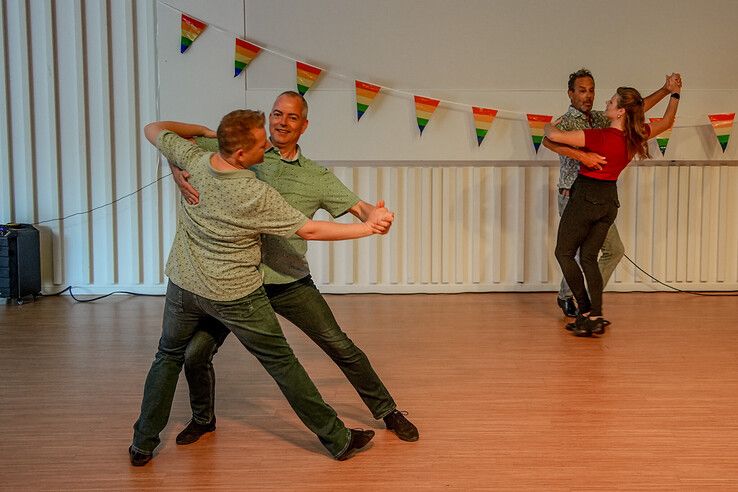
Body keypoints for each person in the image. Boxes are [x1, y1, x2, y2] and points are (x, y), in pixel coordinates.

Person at [130, 109, 395, 466]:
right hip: (234, 293)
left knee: (167, 356)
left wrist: (202, 134)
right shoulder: (252, 192)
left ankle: (142, 444)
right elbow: (309, 230)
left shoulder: (194, 156)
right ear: (240, 154)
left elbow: (153, 128)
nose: (269, 140)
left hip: (184, 285)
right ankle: (337, 438)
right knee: (283, 363)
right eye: (261, 141)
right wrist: (369, 229)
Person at [544, 79, 681, 336]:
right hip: (609, 202)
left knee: (564, 253)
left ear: (619, 112)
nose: (603, 101)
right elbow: (665, 121)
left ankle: (583, 308)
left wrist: (548, 124)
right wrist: (674, 95)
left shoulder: (600, 134)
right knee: (587, 258)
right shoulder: (634, 135)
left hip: (584, 198)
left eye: (611, 101)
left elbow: (552, 136)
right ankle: (595, 314)